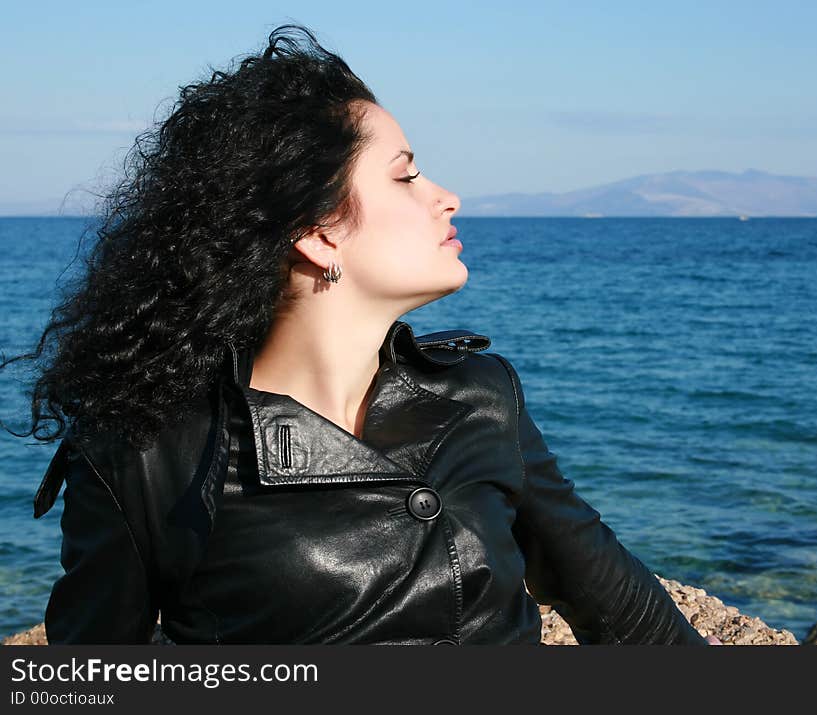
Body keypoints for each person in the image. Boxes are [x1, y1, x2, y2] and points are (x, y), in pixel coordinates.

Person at [10, 24, 718, 644]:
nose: (447, 195)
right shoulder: (149, 452)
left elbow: (623, 611)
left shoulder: (480, 396)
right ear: (318, 232)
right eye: (406, 175)